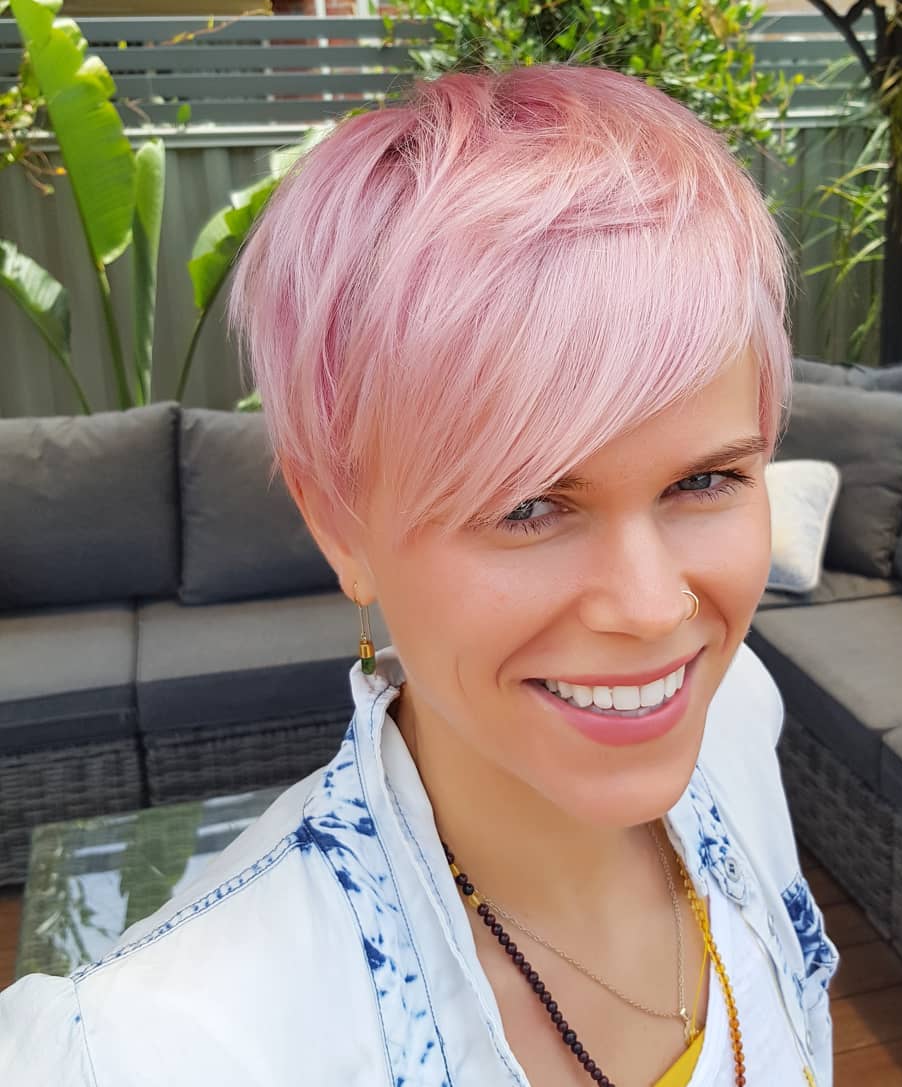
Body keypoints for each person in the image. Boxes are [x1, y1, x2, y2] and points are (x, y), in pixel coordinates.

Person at [0, 63, 838, 1086]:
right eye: (528, 503)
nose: (654, 606)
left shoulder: (736, 718)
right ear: (338, 520)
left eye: (705, 480)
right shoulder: (157, 1047)